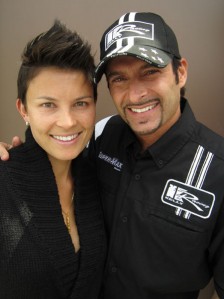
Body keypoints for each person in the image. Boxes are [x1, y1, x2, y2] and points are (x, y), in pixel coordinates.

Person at [1, 12, 224, 299]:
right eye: (119, 78)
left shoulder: (217, 172)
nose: (135, 94)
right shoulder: (101, 136)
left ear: (180, 72)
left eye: (150, 72)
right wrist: (15, 162)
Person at [0, 20, 106, 299]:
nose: (68, 121)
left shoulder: (99, 176)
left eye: (81, 103)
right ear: (24, 109)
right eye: (48, 105)